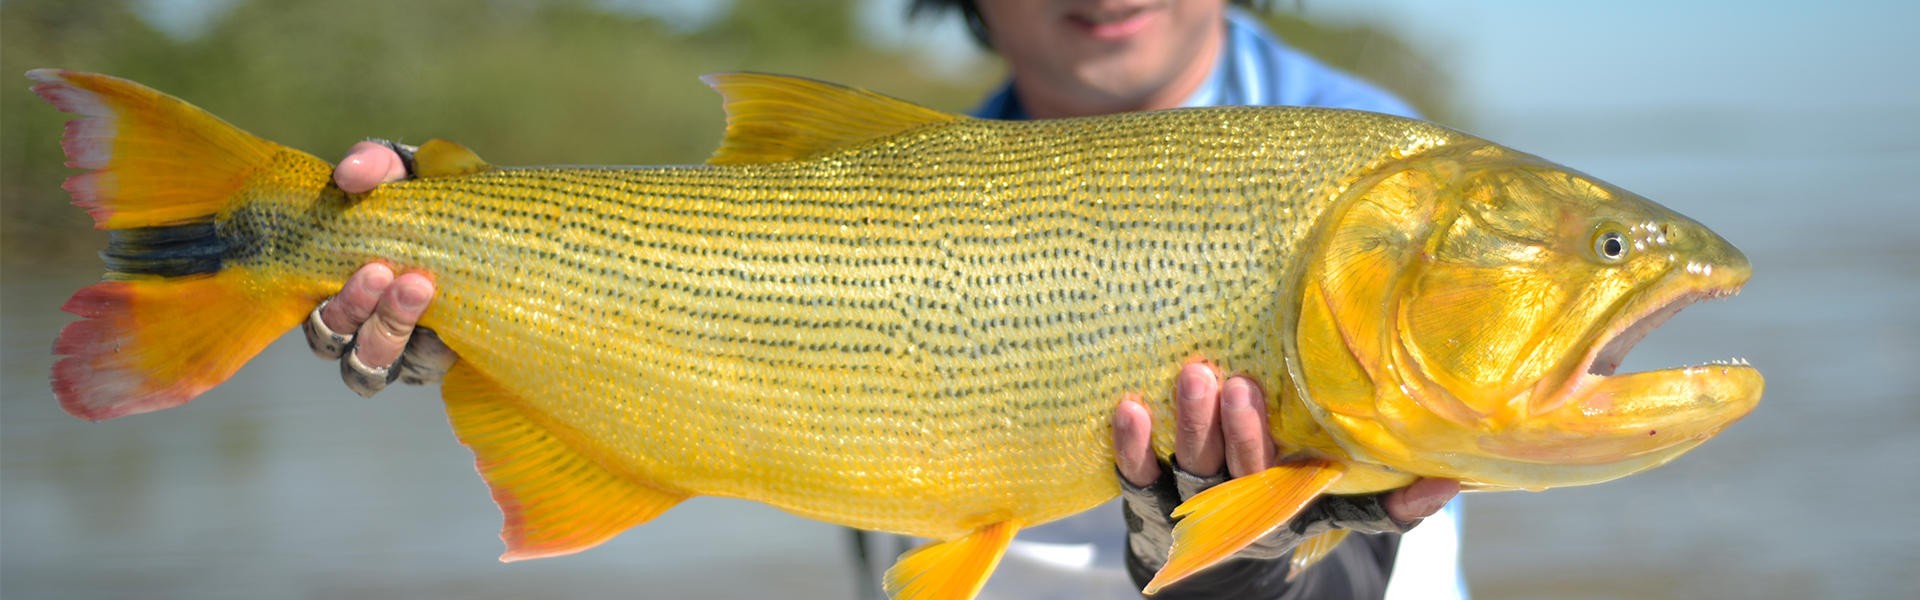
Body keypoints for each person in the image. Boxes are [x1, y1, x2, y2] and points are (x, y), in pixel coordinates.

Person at [304, 1, 1465, 598]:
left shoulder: (1396, 187)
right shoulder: (879, 176)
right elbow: (652, 263)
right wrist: (452, 254)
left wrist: (1269, 567)